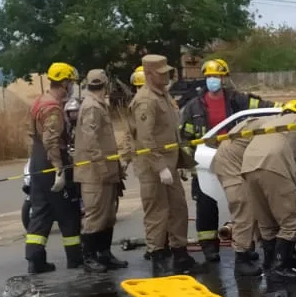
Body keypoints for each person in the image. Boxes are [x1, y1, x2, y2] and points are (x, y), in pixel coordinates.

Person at [180, 57, 261, 261]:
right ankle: (209, 247)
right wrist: (191, 163)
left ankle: (246, 244)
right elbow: (185, 138)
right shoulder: (193, 107)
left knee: (241, 201)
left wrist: (286, 108)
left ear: (224, 78)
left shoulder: (237, 100)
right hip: (206, 160)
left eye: (216, 76)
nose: (212, 80)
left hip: (234, 158)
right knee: (206, 203)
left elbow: (262, 107)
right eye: (209, 77)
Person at [123, 55, 195, 276]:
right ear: (150, 74)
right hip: (154, 167)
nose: (167, 75)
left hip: (169, 164)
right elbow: (145, 138)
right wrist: (160, 166)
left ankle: (180, 254)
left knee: (178, 209)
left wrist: (179, 162)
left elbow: (171, 130)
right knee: (156, 212)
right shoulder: (146, 100)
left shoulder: (162, 94)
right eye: (161, 72)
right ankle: (158, 259)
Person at [24, 62, 84, 274]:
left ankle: (35, 260)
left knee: (40, 212)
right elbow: (51, 141)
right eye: (71, 83)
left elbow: (32, 134)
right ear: (65, 83)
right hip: (52, 162)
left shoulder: (39, 101)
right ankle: (75, 259)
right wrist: (59, 170)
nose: (72, 87)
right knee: (68, 212)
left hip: (37, 161)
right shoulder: (53, 109)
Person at [240, 99, 296, 277]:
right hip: (273, 164)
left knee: (266, 220)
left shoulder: (270, 120)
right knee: (291, 219)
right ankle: (281, 266)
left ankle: (269, 264)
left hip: (248, 164)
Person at [73, 69, 126, 272]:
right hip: (95, 173)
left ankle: (105, 254)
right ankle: (89, 257)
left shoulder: (98, 104)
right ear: (106, 84)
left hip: (106, 170)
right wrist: (104, 168)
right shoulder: (91, 107)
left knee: (108, 214)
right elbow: (91, 142)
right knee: (95, 214)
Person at [208, 122, 262, 277]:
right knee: (243, 209)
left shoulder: (271, 123)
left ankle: (249, 248)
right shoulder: (286, 128)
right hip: (231, 167)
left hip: (236, 163)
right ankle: (241, 260)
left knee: (255, 207)